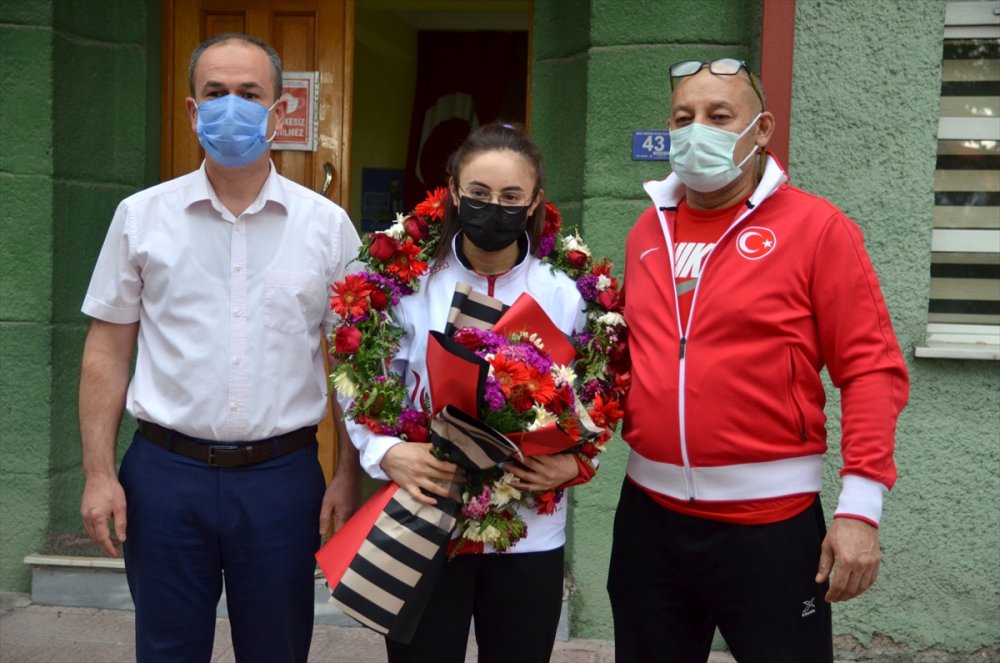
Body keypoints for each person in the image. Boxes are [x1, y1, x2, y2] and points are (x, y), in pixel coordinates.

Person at [607, 58, 910, 662]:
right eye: (684, 118)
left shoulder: (818, 228)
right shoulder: (647, 230)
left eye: (720, 116)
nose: (698, 130)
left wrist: (860, 509)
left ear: (761, 129)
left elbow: (871, 369)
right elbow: (626, 359)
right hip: (648, 518)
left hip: (771, 524)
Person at [78, 32, 363, 663]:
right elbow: (106, 351)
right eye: (215, 92)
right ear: (191, 109)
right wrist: (99, 474)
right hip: (164, 477)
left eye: (249, 93)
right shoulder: (141, 218)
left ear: (278, 110)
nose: (230, 106)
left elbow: (348, 359)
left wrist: (348, 473)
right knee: (167, 650)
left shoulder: (326, 227)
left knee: (277, 649)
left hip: (282, 480)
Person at [342, 122, 589, 663]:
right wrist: (384, 450)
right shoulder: (407, 282)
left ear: (535, 203)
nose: (493, 208)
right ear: (453, 190)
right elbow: (362, 378)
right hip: (426, 509)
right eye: (478, 192)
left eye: (511, 197)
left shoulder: (567, 292)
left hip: (527, 527)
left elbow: (597, 392)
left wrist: (577, 462)